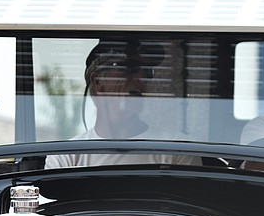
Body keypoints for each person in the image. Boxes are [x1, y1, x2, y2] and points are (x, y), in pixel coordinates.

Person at [44, 40, 199, 169]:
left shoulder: (177, 149)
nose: (141, 79)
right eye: (128, 68)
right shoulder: (65, 157)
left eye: (146, 71)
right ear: (98, 83)